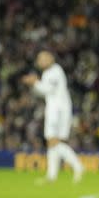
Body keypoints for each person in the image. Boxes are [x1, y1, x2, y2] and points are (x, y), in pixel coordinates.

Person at [22, 51, 84, 183]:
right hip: (61, 109)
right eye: (39, 59)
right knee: (55, 143)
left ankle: (77, 166)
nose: (40, 61)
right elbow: (44, 92)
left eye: (42, 58)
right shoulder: (49, 72)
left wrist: (34, 82)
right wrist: (35, 84)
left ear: (50, 59)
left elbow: (48, 89)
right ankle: (52, 175)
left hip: (57, 110)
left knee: (52, 141)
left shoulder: (55, 71)